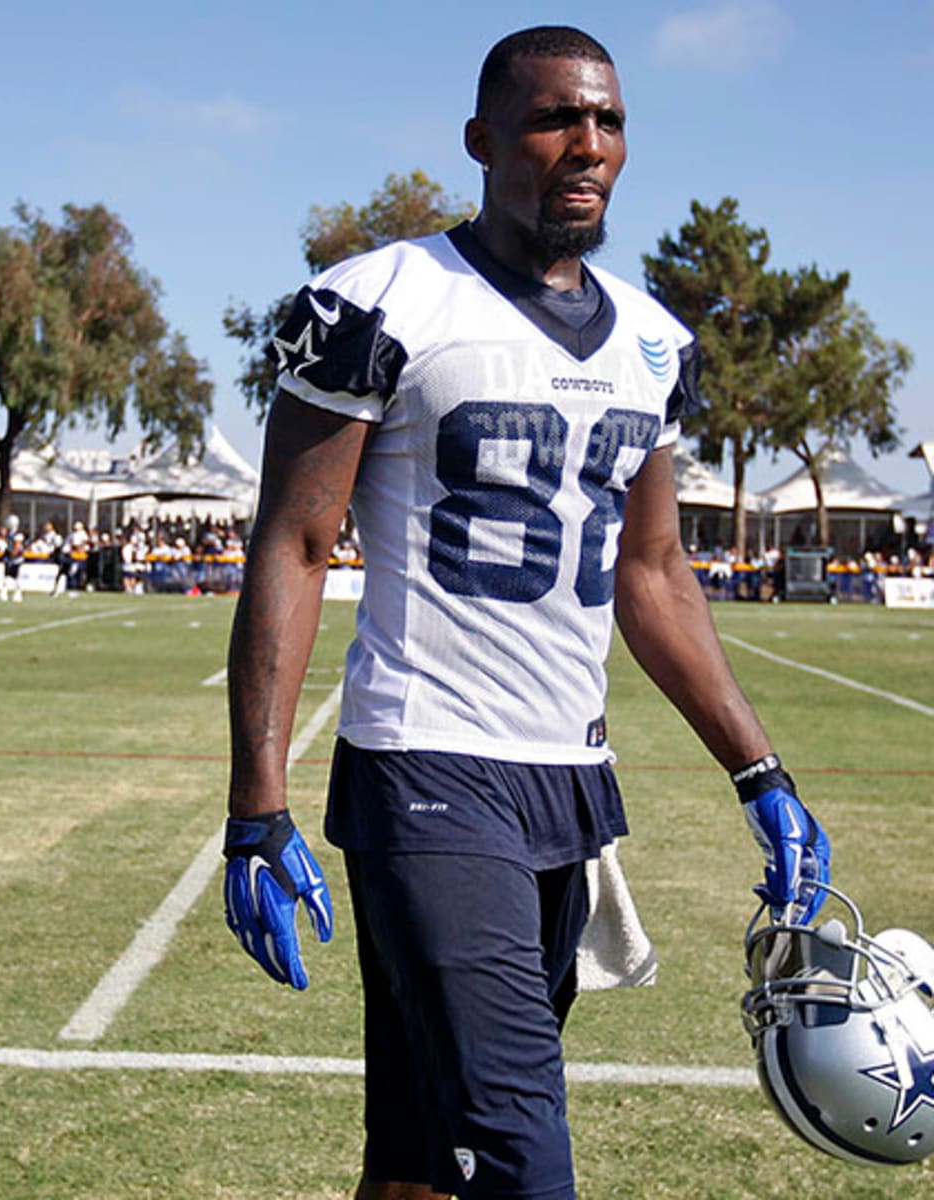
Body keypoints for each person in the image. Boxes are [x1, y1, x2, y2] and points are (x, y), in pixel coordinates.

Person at [222, 26, 831, 1200]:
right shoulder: (382, 300)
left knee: (420, 1155)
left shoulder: (652, 339)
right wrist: (259, 802)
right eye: (555, 119)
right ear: (484, 139)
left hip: (569, 777)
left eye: (606, 121)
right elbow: (294, 543)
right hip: (425, 767)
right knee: (519, 1154)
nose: (585, 146)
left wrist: (761, 773)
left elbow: (653, 571)